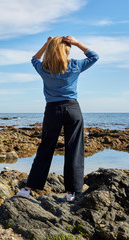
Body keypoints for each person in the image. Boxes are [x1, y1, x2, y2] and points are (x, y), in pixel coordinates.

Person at [17, 36, 99, 201]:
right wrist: (77, 43)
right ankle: (72, 193)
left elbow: (34, 59)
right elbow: (94, 56)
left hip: (52, 110)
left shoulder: (44, 68)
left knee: (45, 148)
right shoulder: (74, 65)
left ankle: (27, 189)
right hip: (72, 109)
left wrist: (46, 44)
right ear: (67, 50)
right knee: (74, 150)